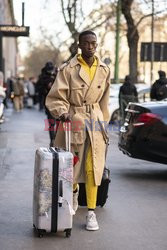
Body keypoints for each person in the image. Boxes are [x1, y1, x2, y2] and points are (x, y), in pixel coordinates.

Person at [46, 30, 110, 231]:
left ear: (96, 45)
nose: (90, 46)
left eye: (94, 43)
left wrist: (104, 126)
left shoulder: (104, 69)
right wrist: (63, 113)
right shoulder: (68, 69)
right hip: (75, 120)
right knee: (72, 166)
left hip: (95, 122)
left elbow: (105, 102)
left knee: (94, 167)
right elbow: (55, 97)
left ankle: (91, 212)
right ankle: (72, 197)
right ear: (79, 45)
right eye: (86, 43)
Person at [37, 62, 58, 146]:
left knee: (58, 122)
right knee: (52, 123)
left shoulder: (57, 74)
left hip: (58, 101)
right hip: (49, 102)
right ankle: (52, 140)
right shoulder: (42, 77)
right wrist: (45, 88)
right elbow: (39, 89)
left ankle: (56, 139)